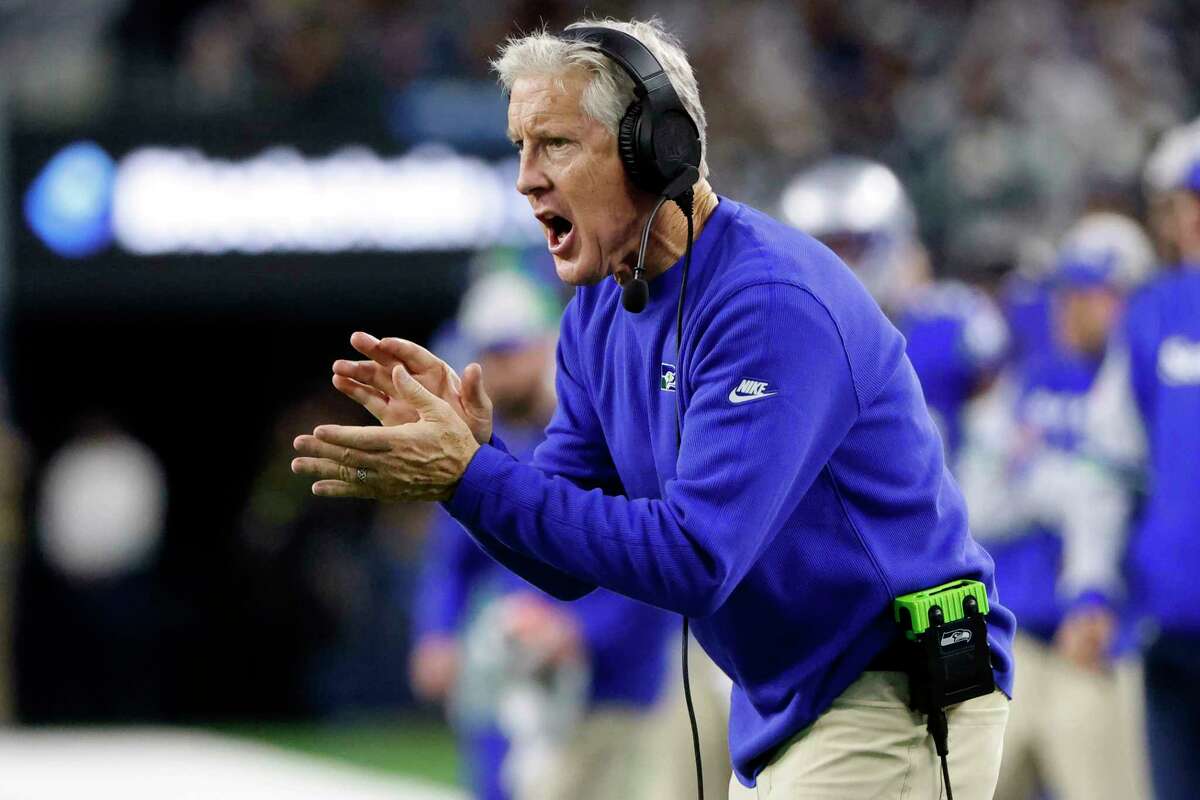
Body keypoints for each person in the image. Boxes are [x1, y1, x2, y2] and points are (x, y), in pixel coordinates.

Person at [292, 18, 1014, 798]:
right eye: (520, 147)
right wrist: (473, 466)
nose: (527, 178)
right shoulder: (601, 313)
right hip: (793, 703)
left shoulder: (768, 303)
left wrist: (472, 479)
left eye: (556, 144)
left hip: (890, 697)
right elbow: (566, 559)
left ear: (657, 148)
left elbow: (698, 558)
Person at [409, 268, 672, 800]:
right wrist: (436, 633)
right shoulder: (488, 440)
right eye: (484, 355)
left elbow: (658, 555)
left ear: (543, 347)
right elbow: (453, 559)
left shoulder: (606, 429)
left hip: (613, 689)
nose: (493, 373)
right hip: (516, 678)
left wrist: (581, 629)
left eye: (506, 355)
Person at [956, 213, 1155, 800]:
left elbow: (1131, 500)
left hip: (1101, 644)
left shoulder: (1148, 386)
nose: (1074, 307)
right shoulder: (1031, 376)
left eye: (1094, 293)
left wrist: (1047, 480)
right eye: (1069, 291)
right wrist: (1065, 486)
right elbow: (979, 502)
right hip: (1014, 643)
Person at [1055, 126, 1200, 800]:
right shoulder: (1155, 313)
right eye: (1179, 204)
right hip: (1170, 624)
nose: (1185, 220)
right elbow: (1107, 467)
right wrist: (1091, 584)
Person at [779, 157, 1010, 458]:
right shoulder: (781, 341)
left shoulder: (948, 321)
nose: (836, 263)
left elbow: (998, 432)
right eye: (821, 248)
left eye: (849, 246)